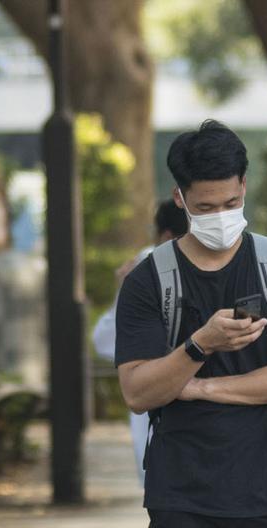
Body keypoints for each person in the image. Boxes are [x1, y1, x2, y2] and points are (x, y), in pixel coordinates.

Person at [115, 120, 267, 528]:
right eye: (205, 208)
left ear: (245, 186)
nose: (221, 217)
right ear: (180, 199)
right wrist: (200, 345)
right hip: (182, 500)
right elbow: (138, 392)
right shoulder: (149, 280)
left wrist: (202, 388)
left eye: (231, 203)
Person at [91, 199, 188, 484]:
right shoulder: (233, 262)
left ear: (166, 235)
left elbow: (106, 340)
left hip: (155, 395)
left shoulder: (144, 268)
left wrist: (122, 291)